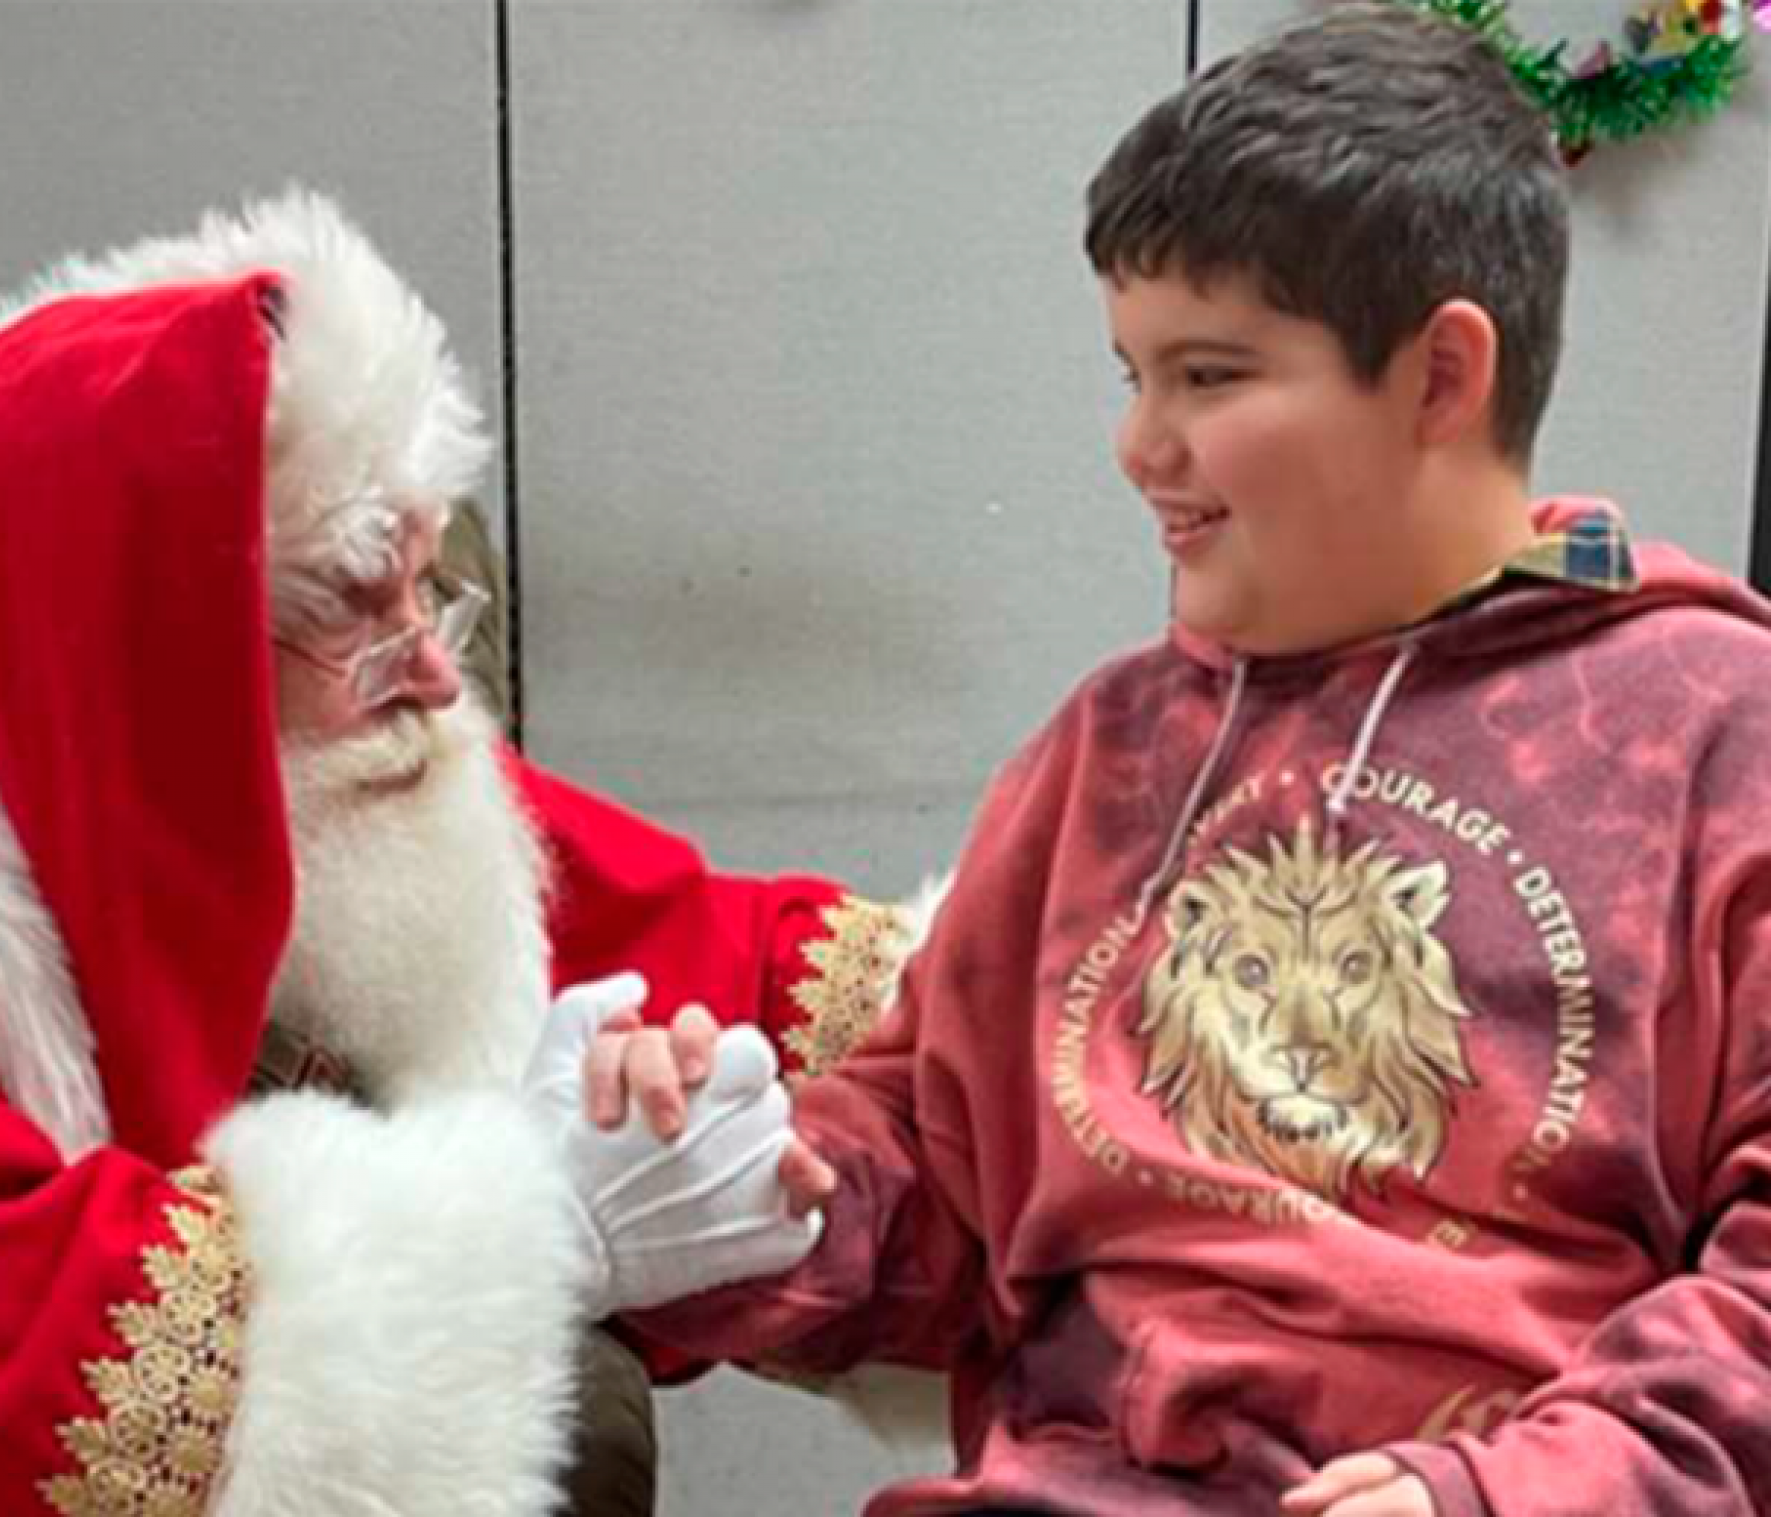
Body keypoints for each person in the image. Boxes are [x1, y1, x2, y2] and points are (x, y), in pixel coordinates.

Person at [566, 5, 1771, 1514]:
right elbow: (932, 1187)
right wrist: (725, 1184)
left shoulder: (1717, 730)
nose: (1141, 445)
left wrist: (1504, 1496)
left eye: (1210, 376)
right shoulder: (1110, 750)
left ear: (1440, 379)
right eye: (1131, 374)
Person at [0, 190, 919, 1514]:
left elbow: (721, 951)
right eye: (352, 613)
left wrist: (1073, 1012)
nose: (434, 672)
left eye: (427, 584)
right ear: (153, 671)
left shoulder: (327, 762)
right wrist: (534, 1224)